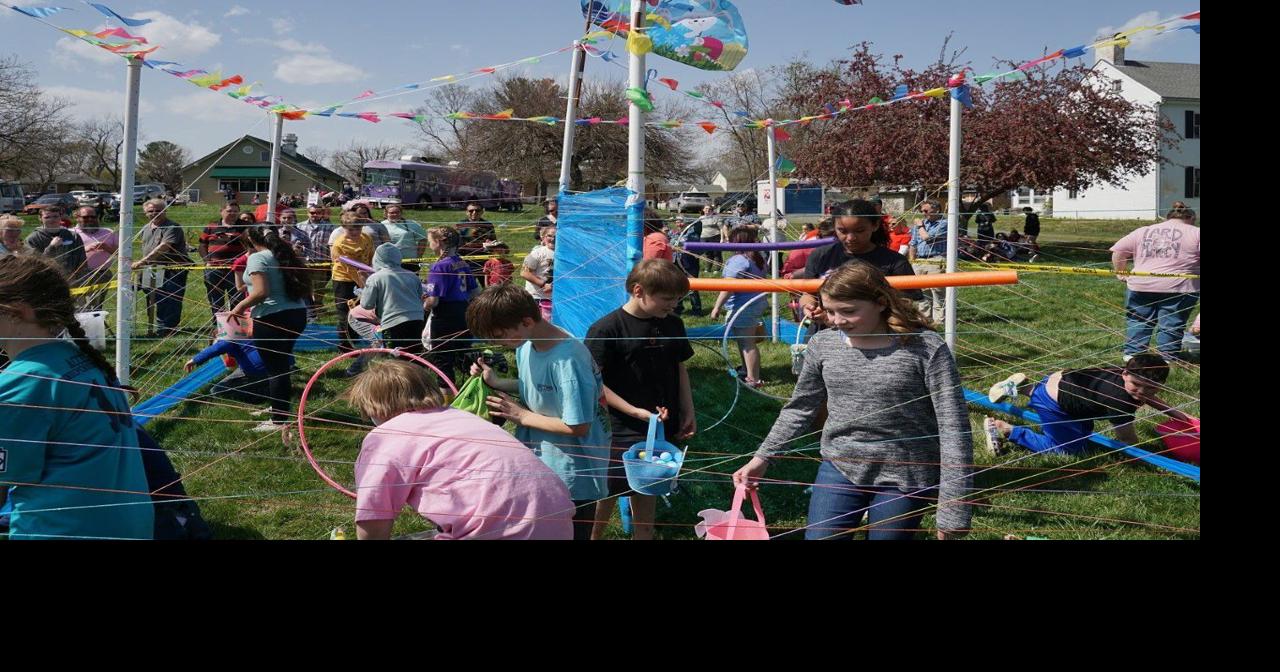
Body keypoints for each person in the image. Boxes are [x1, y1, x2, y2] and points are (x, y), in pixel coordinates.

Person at [733, 261, 972, 540]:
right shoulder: (824, 345)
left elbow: (954, 428)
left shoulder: (925, 347)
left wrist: (954, 508)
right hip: (840, 466)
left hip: (905, 475)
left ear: (881, 302)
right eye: (830, 311)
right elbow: (800, 408)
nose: (836, 320)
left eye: (848, 311)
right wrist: (763, 457)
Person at [0, 254, 154, 540]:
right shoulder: (81, 359)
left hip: (62, 529)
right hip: (127, 524)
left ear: (19, 312)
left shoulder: (23, 383)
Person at [345, 359, 575, 540]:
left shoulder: (385, 437)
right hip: (558, 520)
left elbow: (373, 517)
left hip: (495, 531)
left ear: (374, 407)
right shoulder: (462, 416)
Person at [465, 284, 612, 541]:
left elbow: (578, 426)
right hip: (546, 462)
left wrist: (521, 416)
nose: (497, 343)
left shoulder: (567, 362)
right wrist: (498, 382)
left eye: (500, 335)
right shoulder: (528, 343)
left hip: (573, 472)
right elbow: (536, 388)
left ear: (527, 320)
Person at [587, 259, 696, 540]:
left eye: (677, 300)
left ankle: (643, 535)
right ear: (638, 291)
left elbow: (679, 367)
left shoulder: (672, 323)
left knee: (649, 487)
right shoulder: (606, 329)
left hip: (660, 426)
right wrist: (634, 411)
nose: (673, 305)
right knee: (608, 492)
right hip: (619, 428)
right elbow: (594, 383)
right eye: (667, 299)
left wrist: (688, 409)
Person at [984, 354, 1190, 456]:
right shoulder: (1119, 399)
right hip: (1054, 402)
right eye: (1137, 385)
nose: (1141, 393)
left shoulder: (1128, 376)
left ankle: (1023, 387)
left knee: (1083, 436)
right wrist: (1140, 457)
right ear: (1125, 373)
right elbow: (1126, 437)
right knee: (1067, 450)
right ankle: (1009, 430)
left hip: (1061, 382)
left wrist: (1181, 417)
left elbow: (1147, 396)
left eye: (1151, 389)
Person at [228, 227, 310, 434]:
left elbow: (261, 292)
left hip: (273, 317)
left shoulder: (257, 258)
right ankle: (278, 408)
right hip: (297, 314)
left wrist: (238, 307)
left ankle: (279, 420)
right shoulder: (284, 254)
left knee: (276, 368)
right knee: (280, 365)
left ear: (250, 240)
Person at [797, 200, 921, 328]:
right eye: (843, 231)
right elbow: (807, 294)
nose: (851, 238)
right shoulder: (821, 255)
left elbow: (907, 304)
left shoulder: (895, 261)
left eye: (859, 231)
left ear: (875, 225)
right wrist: (809, 307)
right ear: (834, 227)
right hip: (824, 334)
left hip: (878, 335)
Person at [1111, 207, 1201, 362]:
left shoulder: (1143, 231)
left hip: (1141, 284)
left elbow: (1118, 252)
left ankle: (1133, 355)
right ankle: (1167, 358)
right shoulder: (1196, 232)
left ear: (1167, 218)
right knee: (1172, 322)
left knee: (1138, 319)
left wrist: (1121, 271)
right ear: (1192, 218)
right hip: (1179, 287)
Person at [709, 225, 766, 388]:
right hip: (756, 303)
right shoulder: (757, 257)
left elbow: (729, 287)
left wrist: (716, 307)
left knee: (747, 343)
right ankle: (747, 372)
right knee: (744, 341)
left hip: (744, 306)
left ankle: (753, 379)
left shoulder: (738, 260)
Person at [131, 199, 191, 337]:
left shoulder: (172, 227)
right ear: (145, 213)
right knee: (152, 298)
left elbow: (164, 247)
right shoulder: (145, 228)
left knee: (170, 299)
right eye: (150, 211)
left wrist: (143, 261)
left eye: (158, 210)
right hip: (151, 268)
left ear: (165, 211)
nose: (154, 213)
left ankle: (168, 329)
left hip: (173, 269)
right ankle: (154, 327)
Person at [423, 227, 477, 379]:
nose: (429, 245)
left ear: (439, 242)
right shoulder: (462, 263)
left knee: (442, 360)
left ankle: (448, 399)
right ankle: (472, 393)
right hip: (464, 312)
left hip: (445, 316)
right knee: (464, 357)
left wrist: (425, 304)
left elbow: (433, 301)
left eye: (430, 242)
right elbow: (474, 291)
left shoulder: (439, 266)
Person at [357, 243, 426, 355]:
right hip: (417, 320)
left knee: (396, 357)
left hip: (393, 323)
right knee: (414, 355)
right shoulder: (413, 275)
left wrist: (365, 285)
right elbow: (420, 298)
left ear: (377, 258)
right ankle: (416, 372)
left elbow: (366, 304)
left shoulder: (375, 278)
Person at [330, 211, 375, 367]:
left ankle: (356, 337)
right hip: (344, 279)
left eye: (358, 228)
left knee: (361, 308)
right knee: (344, 310)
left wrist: (370, 274)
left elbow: (370, 256)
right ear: (343, 228)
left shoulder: (366, 238)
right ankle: (344, 345)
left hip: (363, 277)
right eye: (351, 229)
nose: (355, 232)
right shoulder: (339, 244)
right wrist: (362, 283)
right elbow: (347, 267)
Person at [184, 335, 270, 405]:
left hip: (256, 371)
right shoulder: (245, 327)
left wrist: (195, 360)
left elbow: (218, 348)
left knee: (217, 391)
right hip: (274, 367)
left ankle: (264, 393)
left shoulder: (229, 335)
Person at [199, 203, 248, 321]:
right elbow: (202, 245)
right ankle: (218, 324)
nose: (232, 214)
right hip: (214, 269)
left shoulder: (245, 226)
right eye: (229, 211)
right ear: (221, 211)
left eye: (236, 211)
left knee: (237, 298)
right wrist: (207, 261)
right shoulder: (211, 226)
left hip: (237, 270)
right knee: (215, 298)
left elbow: (251, 245)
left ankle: (236, 324)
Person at [24, 205, 88, 285]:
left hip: (73, 280)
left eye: (55, 216)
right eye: (47, 217)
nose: (52, 220)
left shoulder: (73, 236)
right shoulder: (32, 239)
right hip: (46, 283)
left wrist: (78, 277)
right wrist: (51, 247)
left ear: (60, 217)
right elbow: (34, 264)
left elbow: (82, 259)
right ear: (40, 218)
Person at [70, 206, 118, 311]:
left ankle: (96, 325)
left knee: (97, 306)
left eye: (93, 217)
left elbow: (121, 252)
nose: (90, 219)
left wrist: (106, 247)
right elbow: (65, 255)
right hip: (78, 275)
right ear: (77, 217)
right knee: (80, 307)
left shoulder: (108, 232)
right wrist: (85, 249)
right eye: (86, 217)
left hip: (102, 274)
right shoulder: (70, 233)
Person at [908, 199, 948, 324]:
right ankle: (925, 318)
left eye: (926, 210)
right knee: (922, 292)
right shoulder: (920, 224)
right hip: (919, 260)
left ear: (936, 210)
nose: (923, 213)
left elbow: (927, 238)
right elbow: (913, 243)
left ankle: (939, 320)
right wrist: (912, 260)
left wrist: (920, 226)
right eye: (922, 211)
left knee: (937, 291)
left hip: (936, 260)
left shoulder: (944, 223)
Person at [298, 204, 335, 320]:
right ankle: (307, 310)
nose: (315, 215)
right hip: (304, 262)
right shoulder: (300, 226)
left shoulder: (330, 227)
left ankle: (317, 308)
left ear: (322, 213)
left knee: (319, 287)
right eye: (312, 212)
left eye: (318, 212)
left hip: (321, 261)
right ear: (308, 213)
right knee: (305, 287)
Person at [521, 225, 556, 321]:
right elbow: (524, 273)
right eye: (550, 236)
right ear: (543, 238)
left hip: (556, 298)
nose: (553, 239)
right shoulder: (537, 253)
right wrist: (543, 284)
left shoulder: (564, 254)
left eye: (557, 237)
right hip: (537, 297)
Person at [382, 204, 428, 270]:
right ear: (386, 214)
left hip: (410, 261)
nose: (395, 214)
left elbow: (423, 239)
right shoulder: (381, 225)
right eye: (392, 213)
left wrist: (419, 256)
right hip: (389, 260)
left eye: (397, 212)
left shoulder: (411, 224)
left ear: (401, 213)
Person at [696, 204, 725, 273]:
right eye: (706, 208)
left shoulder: (716, 218)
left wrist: (722, 238)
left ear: (712, 210)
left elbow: (721, 228)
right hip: (704, 237)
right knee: (707, 253)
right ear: (703, 210)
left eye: (709, 209)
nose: (707, 210)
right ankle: (708, 268)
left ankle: (717, 269)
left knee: (716, 253)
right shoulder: (701, 218)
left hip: (715, 236)